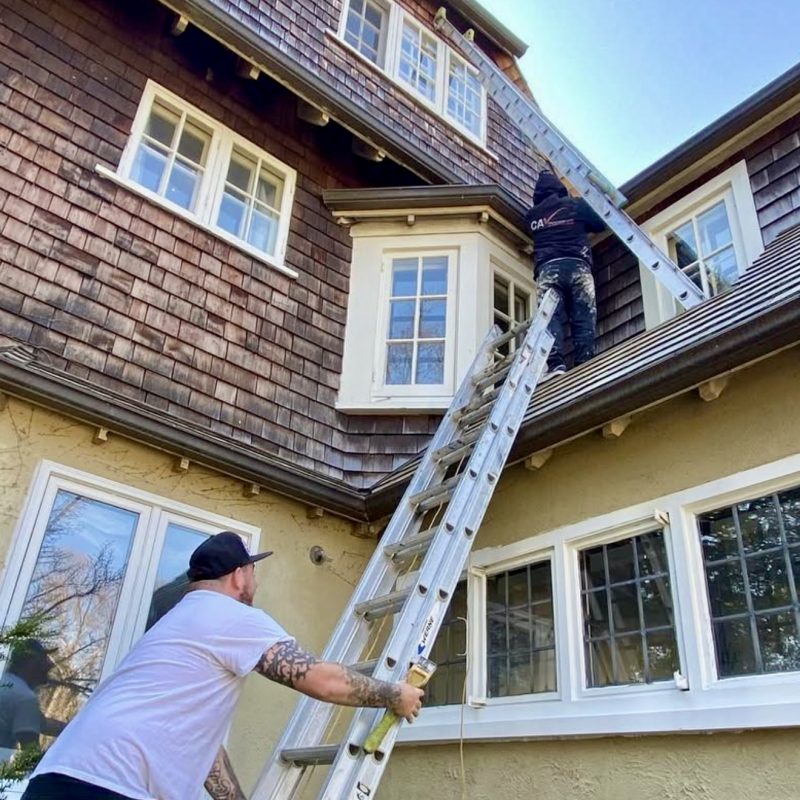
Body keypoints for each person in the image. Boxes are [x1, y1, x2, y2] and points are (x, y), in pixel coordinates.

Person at [23, 531, 424, 800]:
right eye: (253, 570)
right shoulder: (229, 616)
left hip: (53, 780)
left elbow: (201, 746)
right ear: (238, 576)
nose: (255, 579)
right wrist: (395, 694)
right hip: (114, 787)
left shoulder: (173, 626)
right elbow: (320, 680)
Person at [526, 170, 606, 375]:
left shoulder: (532, 216)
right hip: (577, 265)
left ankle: (556, 365)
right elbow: (599, 224)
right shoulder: (575, 206)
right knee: (583, 314)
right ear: (560, 189)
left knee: (550, 316)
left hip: (548, 269)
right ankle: (584, 362)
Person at [0, 640, 58, 756]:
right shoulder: (24, 698)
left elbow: (41, 723)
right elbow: (30, 755)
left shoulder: (6, 682)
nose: (49, 664)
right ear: (31, 662)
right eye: (44, 658)